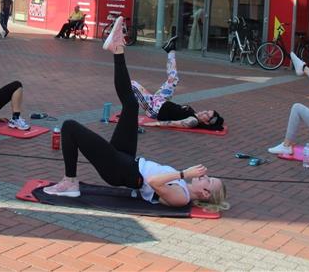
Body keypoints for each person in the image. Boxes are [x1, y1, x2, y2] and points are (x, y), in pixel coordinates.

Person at [43, 17, 228, 210]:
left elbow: (156, 183)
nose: (203, 175)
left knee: (69, 127)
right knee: (131, 104)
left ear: (205, 194)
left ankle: (70, 182)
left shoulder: (182, 197)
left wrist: (183, 173)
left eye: (208, 180)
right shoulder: (183, 187)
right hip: (129, 160)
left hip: (121, 171)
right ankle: (117, 48)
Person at [132, 36, 224, 131]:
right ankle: (170, 50)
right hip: (162, 100)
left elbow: (172, 123)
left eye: (207, 114)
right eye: (207, 111)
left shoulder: (193, 121)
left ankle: (127, 110)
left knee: (132, 84)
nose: (204, 112)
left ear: (206, 122)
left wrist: (152, 124)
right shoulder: (194, 114)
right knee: (174, 79)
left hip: (154, 108)